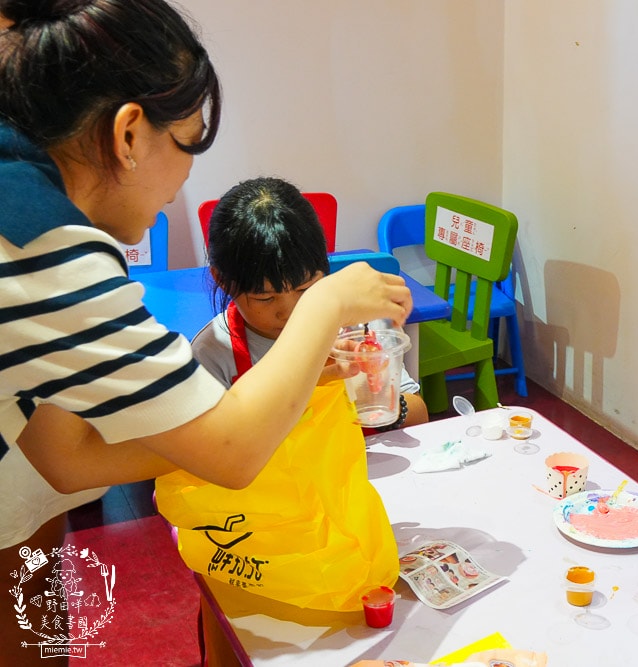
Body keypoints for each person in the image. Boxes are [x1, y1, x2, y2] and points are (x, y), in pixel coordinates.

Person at [0, 2, 409, 663]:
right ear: (130, 133)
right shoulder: (45, 243)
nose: (186, 176)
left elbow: (64, 453)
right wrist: (327, 300)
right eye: (188, 141)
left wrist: (295, 394)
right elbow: (231, 450)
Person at [191, 176, 428, 429]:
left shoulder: (361, 328)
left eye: (305, 289)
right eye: (266, 298)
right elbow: (220, 451)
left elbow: (419, 413)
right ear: (223, 280)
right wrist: (308, 387)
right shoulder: (213, 353)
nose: (290, 311)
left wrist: (380, 402)